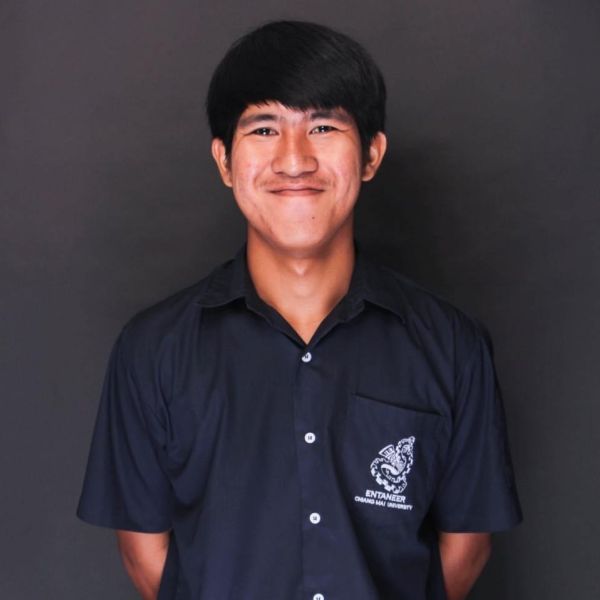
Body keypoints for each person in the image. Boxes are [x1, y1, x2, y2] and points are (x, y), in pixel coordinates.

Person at [77, 20, 522, 600]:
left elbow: (466, 545)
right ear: (224, 161)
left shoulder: (452, 345)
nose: (294, 160)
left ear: (371, 153)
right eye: (264, 129)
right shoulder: (153, 349)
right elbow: (146, 554)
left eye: (323, 127)